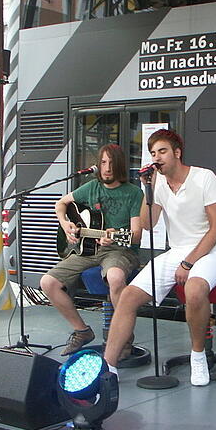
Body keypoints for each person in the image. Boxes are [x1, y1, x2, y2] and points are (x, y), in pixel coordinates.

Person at [103, 129, 216, 386]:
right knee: (127, 297)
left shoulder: (204, 178)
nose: (156, 157)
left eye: (162, 151)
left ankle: (198, 357)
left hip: (212, 251)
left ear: (177, 153)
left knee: (194, 289)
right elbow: (149, 224)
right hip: (177, 251)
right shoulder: (158, 184)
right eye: (152, 153)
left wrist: (188, 263)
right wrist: (146, 190)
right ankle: (108, 366)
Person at [40, 144, 143, 356]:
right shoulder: (91, 187)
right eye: (103, 163)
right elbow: (61, 203)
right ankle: (81, 331)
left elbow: (136, 234)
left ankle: (123, 339)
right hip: (87, 250)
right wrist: (65, 223)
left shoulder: (134, 193)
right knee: (48, 283)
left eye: (111, 163)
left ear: (120, 166)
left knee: (115, 277)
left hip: (120, 250)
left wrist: (114, 235)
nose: (106, 168)